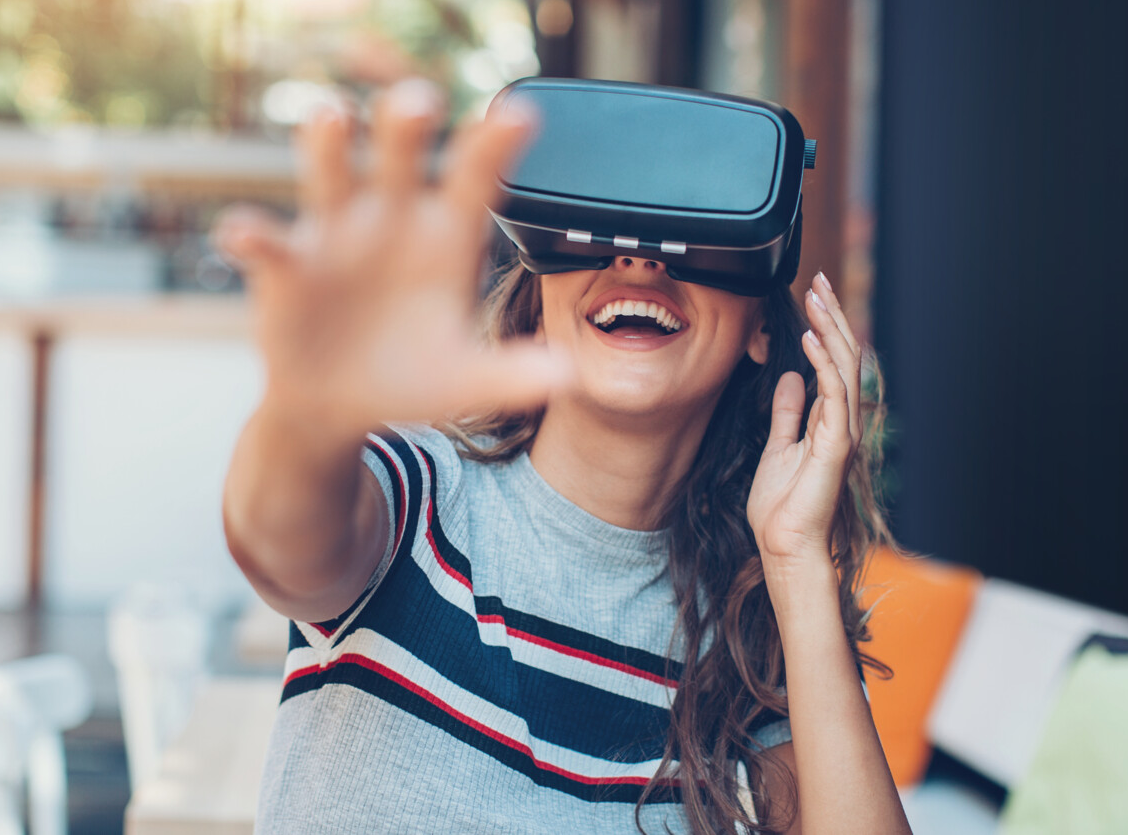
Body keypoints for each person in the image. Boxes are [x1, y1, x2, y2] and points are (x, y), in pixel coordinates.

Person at [217, 79, 912, 835]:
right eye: (602, 226)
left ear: (761, 331)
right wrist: (313, 408)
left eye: (689, 218)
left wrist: (798, 562)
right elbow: (278, 543)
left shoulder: (751, 646)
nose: (641, 258)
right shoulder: (416, 506)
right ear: (539, 301)